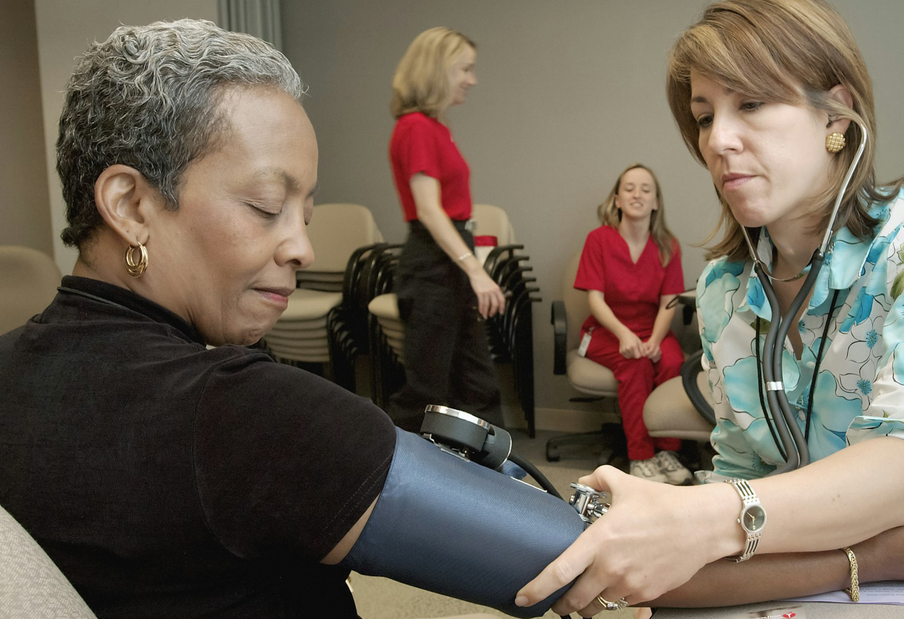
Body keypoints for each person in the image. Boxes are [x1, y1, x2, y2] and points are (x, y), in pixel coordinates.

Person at [0, 20, 589, 619]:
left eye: (304, 215)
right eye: (265, 207)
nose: (302, 249)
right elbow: (587, 560)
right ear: (129, 205)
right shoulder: (244, 412)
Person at [517, 0, 904, 615]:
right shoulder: (725, 291)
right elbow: (737, 497)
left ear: (837, 113)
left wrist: (699, 515)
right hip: (808, 585)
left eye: (750, 103)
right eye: (704, 117)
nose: (718, 141)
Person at [386, 27, 505, 432]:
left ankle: (495, 478)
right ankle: (384, 478)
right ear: (438, 69)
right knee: (427, 391)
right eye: (465, 69)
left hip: (449, 262)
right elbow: (429, 211)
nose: (472, 79)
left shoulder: (436, 127)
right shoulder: (416, 127)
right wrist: (476, 271)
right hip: (433, 266)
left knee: (476, 383)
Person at [574, 164, 692, 484]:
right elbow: (595, 299)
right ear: (617, 199)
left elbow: (669, 299)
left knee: (673, 361)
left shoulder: (668, 245)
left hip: (651, 327)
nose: (637, 194)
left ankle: (667, 451)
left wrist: (656, 338)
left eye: (645, 189)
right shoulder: (598, 240)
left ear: (656, 202)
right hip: (605, 330)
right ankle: (640, 456)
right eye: (629, 188)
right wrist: (624, 334)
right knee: (635, 361)